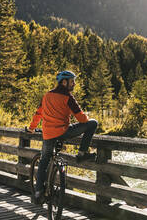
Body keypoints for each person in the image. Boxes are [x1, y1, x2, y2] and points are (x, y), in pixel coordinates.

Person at [27, 70, 98, 204]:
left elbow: (38, 113)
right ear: (64, 82)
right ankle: (82, 153)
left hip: (47, 134)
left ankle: (38, 193)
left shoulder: (47, 95)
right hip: (62, 132)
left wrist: (31, 128)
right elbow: (82, 119)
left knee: (44, 160)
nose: (74, 84)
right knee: (93, 123)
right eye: (72, 81)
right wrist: (86, 117)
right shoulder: (68, 97)